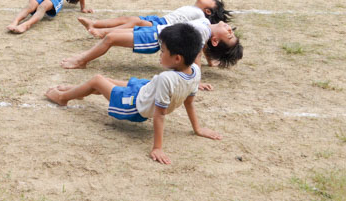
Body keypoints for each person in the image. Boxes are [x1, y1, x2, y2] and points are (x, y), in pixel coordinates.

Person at [46, 24, 220, 165]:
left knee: (98, 80)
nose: (160, 55)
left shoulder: (166, 79)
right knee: (107, 81)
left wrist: (157, 147)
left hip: (134, 106)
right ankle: (79, 90)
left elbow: (159, 114)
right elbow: (189, 102)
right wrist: (197, 129)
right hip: (146, 89)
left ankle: (62, 98)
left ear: (177, 59)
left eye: (163, 51)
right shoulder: (195, 70)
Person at [60, 6, 241, 70]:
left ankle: (81, 61)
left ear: (216, 40)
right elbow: (204, 50)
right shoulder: (204, 23)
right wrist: (212, 61)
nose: (229, 28)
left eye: (229, 34)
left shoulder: (203, 33)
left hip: (155, 39)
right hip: (155, 32)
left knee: (110, 39)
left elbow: (197, 56)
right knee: (111, 37)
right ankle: (82, 58)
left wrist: (196, 79)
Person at [78, 0, 231, 38]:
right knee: (128, 18)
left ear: (208, 12)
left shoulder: (199, 15)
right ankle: (95, 23)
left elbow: (198, 34)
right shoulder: (195, 9)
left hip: (162, 26)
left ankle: (104, 33)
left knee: (134, 22)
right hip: (159, 19)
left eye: (209, 0)